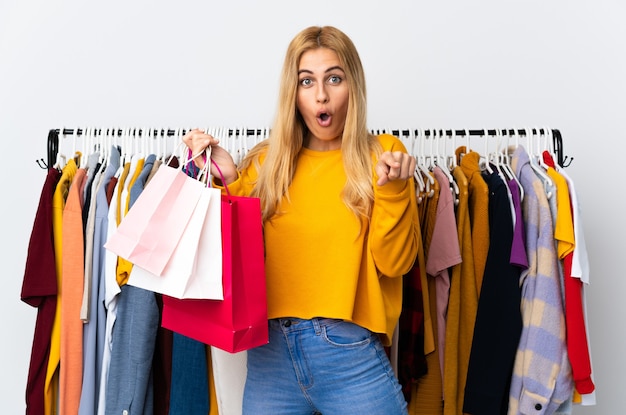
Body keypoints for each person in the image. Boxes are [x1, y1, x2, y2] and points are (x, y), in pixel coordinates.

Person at [183, 25, 420, 415]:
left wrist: (393, 190)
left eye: (334, 78)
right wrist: (229, 180)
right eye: (306, 81)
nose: (321, 95)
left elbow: (395, 263)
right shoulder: (266, 162)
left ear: (353, 87)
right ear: (292, 93)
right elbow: (234, 259)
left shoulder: (383, 155)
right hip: (269, 358)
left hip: (349, 356)